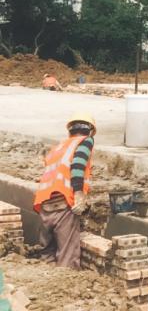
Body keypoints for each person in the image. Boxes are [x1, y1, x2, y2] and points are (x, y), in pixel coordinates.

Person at [33, 112, 96, 269]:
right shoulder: (85, 141)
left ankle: (47, 278)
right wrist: (79, 195)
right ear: (91, 131)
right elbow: (77, 166)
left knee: (47, 250)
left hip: (44, 201)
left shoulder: (59, 147)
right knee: (68, 253)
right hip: (63, 199)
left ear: (70, 131)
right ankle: (65, 287)